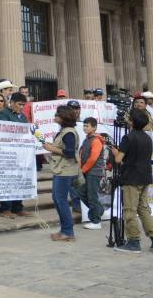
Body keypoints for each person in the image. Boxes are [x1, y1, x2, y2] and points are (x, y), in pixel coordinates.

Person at [108, 109, 153, 254]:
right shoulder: (147, 138)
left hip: (132, 177)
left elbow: (118, 159)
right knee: (143, 208)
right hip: (145, 176)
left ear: (132, 122)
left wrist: (115, 152)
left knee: (130, 210)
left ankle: (133, 241)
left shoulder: (128, 138)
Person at [42, 102, 82, 242]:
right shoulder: (65, 131)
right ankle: (65, 230)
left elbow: (70, 152)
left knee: (61, 200)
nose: (54, 116)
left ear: (63, 117)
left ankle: (68, 232)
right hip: (61, 170)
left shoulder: (69, 132)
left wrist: (51, 148)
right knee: (57, 199)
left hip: (65, 171)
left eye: (57, 114)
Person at [0, 92, 32, 218]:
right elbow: (5, 130)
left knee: (19, 180)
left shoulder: (23, 116)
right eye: (19, 104)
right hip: (8, 153)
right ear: (12, 103)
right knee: (8, 181)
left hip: (21, 153)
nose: (21, 107)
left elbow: (27, 132)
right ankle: (5, 208)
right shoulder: (4, 113)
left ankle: (17, 207)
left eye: (23, 105)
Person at [75, 116, 107, 229]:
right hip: (87, 172)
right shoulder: (87, 139)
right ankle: (99, 210)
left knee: (92, 196)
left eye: (87, 126)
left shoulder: (96, 140)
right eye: (84, 125)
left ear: (94, 127)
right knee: (81, 192)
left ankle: (96, 221)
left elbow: (93, 159)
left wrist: (83, 170)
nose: (84, 128)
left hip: (94, 173)